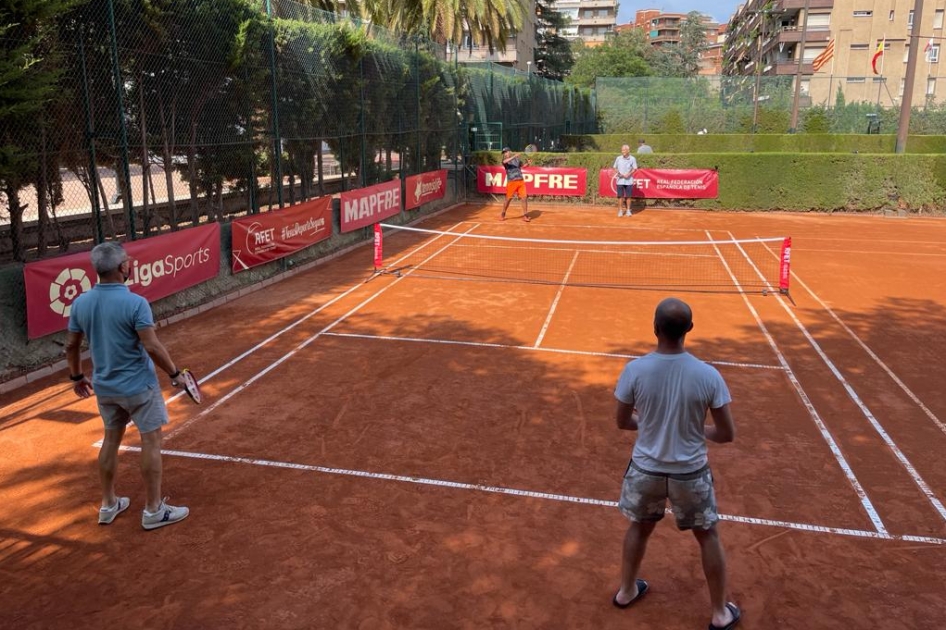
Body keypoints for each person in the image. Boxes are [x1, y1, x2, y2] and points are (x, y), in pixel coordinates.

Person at [611, 298, 740, 630]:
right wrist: (695, 427)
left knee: (639, 528)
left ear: (655, 328)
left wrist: (652, 423)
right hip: (690, 474)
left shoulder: (635, 370)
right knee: (708, 536)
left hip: (645, 471)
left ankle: (626, 591)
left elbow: (623, 421)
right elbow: (726, 434)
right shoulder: (708, 375)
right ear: (690, 330)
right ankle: (719, 613)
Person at [65, 241, 190, 531]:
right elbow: (152, 346)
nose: (131, 264)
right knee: (151, 441)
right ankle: (154, 510)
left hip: (105, 388)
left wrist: (76, 377)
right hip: (139, 388)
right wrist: (174, 373)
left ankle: (108, 505)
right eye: (128, 261)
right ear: (122, 268)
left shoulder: (80, 303)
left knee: (111, 440)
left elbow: (71, 345)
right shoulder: (136, 303)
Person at [500, 147, 531, 222]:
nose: (505, 154)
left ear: (509, 152)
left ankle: (525, 215)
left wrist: (528, 163)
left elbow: (522, 166)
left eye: (506, 152)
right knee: (508, 199)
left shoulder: (517, 160)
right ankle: (503, 213)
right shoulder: (505, 161)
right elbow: (504, 161)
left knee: (524, 198)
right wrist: (514, 156)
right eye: (504, 153)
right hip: (511, 182)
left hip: (520, 181)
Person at [612, 144, 638, 217]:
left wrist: (629, 174)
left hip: (629, 181)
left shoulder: (632, 158)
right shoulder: (618, 158)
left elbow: (635, 168)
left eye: (624, 150)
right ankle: (620, 211)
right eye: (622, 150)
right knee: (620, 196)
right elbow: (614, 167)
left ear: (628, 151)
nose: (622, 151)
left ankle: (628, 210)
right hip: (619, 181)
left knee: (628, 196)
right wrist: (618, 173)